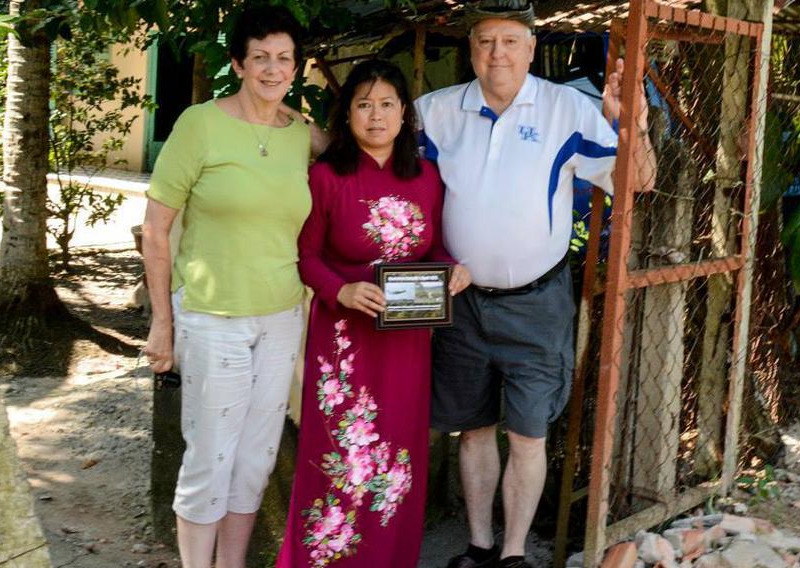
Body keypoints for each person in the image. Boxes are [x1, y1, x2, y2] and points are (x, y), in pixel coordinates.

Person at [414, 2, 656, 567]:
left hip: (537, 303)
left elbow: (638, 181)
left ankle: (515, 554)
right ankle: (478, 544)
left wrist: (632, 126)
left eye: (509, 41)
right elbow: (381, 162)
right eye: (485, 42)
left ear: (529, 48)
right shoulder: (436, 112)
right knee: (473, 431)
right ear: (471, 49)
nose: (496, 53)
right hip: (461, 304)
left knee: (528, 436)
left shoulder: (566, 109)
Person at [141, 5, 325, 567]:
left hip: (280, 318)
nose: (273, 69)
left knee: (256, 460)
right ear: (240, 64)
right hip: (211, 316)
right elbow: (156, 228)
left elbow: (362, 155)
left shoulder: (300, 134)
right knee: (210, 459)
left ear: (296, 66)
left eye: (284, 58)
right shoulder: (200, 124)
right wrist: (161, 324)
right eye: (261, 57)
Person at [276, 60, 471, 568]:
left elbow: (436, 249)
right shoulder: (325, 177)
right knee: (339, 456)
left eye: (387, 104)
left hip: (406, 344)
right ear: (348, 114)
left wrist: (453, 271)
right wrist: (341, 291)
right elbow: (307, 257)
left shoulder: (427, 177)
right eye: (364, 105)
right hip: (343, 343)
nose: (376, 115)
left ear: (405, 113)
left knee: (398, 457)